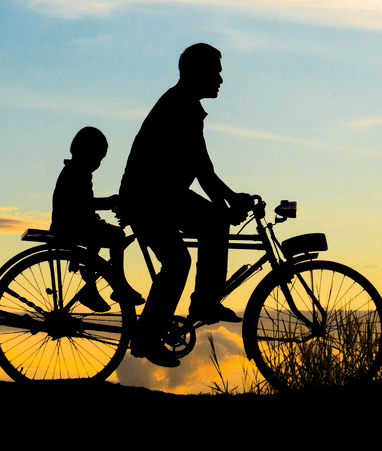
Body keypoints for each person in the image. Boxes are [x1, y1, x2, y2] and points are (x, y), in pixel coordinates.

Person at [118, 43, 251, 367]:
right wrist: (228, 202)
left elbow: (202, 167)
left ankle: (201, 303)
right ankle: (166, 325)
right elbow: (204, 171)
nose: (221, 78)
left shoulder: (184, 105)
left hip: (160, 195)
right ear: (196, 72)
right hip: (149, 198)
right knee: (178, 260)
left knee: (211, 223)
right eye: (215, 71)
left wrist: (230, 200)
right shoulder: (182, 107)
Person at [51, 126, 144, 312]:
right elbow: (82, 204)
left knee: (105, 234)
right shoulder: (76, 173)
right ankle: (119, 284)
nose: (98, 164)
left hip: (74, 224)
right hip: (71, 226)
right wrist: (109, 202)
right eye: (97, 158)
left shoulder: (75, 171)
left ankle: (94, 286)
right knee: (116, 236)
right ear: (85, 153)